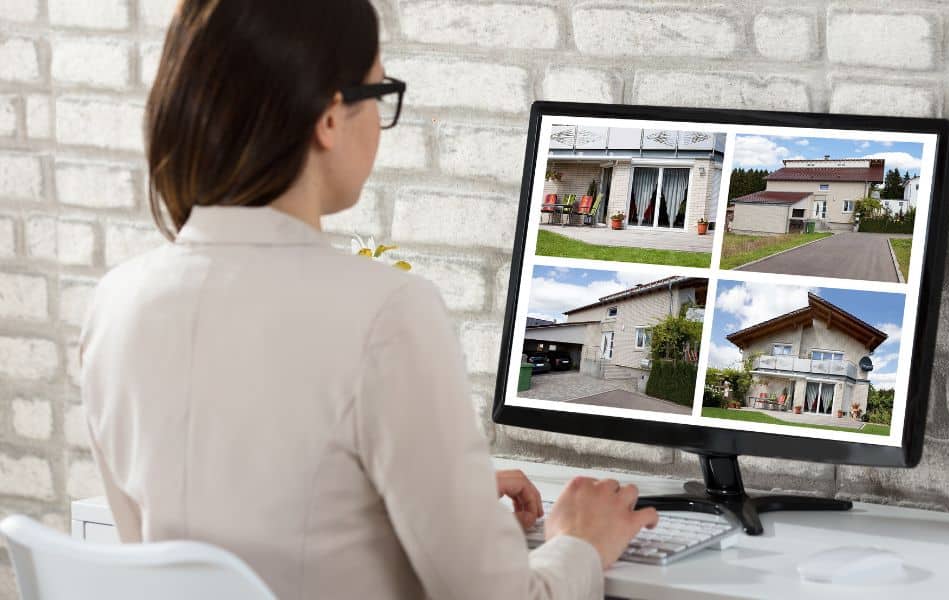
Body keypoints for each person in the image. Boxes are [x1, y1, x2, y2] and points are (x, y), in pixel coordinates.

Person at [78, 1, 657, 598]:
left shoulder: (115, 304)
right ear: (330, 117)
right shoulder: (387, 311)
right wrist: (579, 543)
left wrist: (435, 497)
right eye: (379, 92)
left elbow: (198, 556)